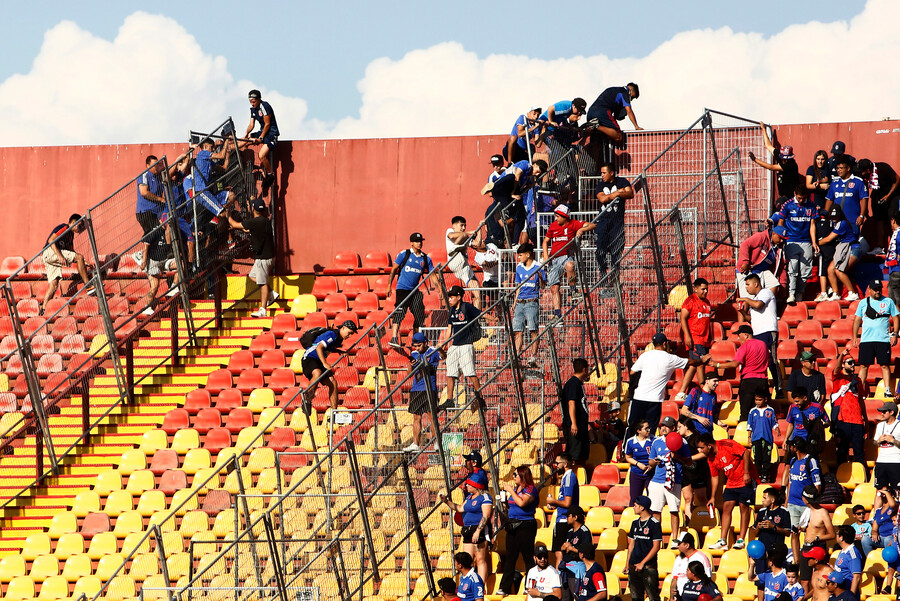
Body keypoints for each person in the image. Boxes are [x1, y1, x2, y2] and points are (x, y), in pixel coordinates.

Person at [628, 333, 707, 439]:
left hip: (639, 396)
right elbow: (690, 362)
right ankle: (648, 448)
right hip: (654, 399)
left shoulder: (645, 355)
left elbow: (632, 372)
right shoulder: (670, 358)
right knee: (650, 429)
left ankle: (627, 447)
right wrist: (702, 360)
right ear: (664, 344)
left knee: (633, 426)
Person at [696, 433, 753, 550]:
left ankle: (741, 539)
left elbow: (746, 453)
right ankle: (722, 540)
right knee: (726, 508)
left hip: (743, 480)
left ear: (709, 445)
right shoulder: (710, 459)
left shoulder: (726, 444)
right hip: (731, 482)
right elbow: (714, 477)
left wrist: (746, 473)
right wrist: (712, 497)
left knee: (744, 507)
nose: (700, 451)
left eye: (702, 447)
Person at [542, 204, 596, 316]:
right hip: (554, 259)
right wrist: (546, 256)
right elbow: (545, 241)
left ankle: (573, 290)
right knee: (554, 288)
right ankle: (557, 314)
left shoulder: (573, 223)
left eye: (558, 216)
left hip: (566, 256)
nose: (555, 218)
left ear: (564, 216)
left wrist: (581, 229)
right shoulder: (553, 226)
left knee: (570, 265)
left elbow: (592, 225)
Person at [228, 198, 277, 318]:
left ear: (253, 209)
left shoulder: (254, 222)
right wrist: (239, 228)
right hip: (269, 257)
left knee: (262, 283)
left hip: (263, 258)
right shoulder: (264, 221)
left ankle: (263, 310)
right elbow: (248, 229)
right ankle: (271, 293)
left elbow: (234, 224)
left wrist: (227, 214)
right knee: (253, 276)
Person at [440, 470, 493, 583]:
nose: (466, 486)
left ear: (476, 485)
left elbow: (486, 516)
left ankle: (480, 586)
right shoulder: (469, 498)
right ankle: (468, 584)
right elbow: (460, 508)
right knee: (466, 561)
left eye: (469, 484)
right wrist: (447, 501)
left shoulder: (485, 497)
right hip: (467, 530)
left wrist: (478, 531)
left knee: (480, 559)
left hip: (478, 530)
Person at [387, 233, 438, 348]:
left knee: (420, 315)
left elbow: (432, 274)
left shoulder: (425, 258)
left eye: (420, 241)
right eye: (416, 241)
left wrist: (439, 288)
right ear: (411, 243)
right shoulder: (404, 254)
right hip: (402, 289)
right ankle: (394, 338)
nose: (419, 243)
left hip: (415, 291)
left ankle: (416, 340)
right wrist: (389, 286)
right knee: (399, 313)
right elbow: (394, 269)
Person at [299, 320, 359, 413]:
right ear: (343, 328)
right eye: (349, 332)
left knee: (333, 382)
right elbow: (319, 347)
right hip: (310, 357)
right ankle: (307, 400)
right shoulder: (332, 334)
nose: (350, 336)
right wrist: (324, 363)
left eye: (352, 334)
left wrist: (339, 351)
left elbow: (329, 347)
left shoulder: (338, 339)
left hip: (319, 360)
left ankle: (334, 411)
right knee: (317, 373)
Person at [40, 214, 95, 314]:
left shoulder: (70, 235)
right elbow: (51, 240)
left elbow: (71, 251)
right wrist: (59, 256)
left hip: (48, 256)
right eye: (79, 225)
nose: (80, 228)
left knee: (54, 284)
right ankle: (88, 285)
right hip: (50, 252)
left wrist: (84, 261)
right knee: (79, 257)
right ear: (73, 223)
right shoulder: (64, 227)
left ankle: (43, 309)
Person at [853, 279, 899, 397]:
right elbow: (857, 320)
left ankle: (887, 390)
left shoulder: (888, 301)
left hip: (883, 340)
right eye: (875, 289)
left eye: (879, 289)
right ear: (869, 290)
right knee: (864, 366)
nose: (877, 291)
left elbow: (896, 317)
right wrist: (854, 336)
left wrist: (895, 334)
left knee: (884, 365)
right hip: (866, 340)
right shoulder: (863, 303)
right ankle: (860, 390)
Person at [646, 416, 690, 539]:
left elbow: (689, 461)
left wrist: (677, 457)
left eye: (667, 426)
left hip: (674, 480)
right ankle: (656, 538)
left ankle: (675, 538)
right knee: (655, 511)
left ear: (673, 427)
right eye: (662, 426)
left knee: (674, 511)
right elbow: (650, 461)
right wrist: (654, 462)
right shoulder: (656, 442)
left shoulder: (682, 442)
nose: (664, 428)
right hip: (657, 480)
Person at [773, 185, 819, 303]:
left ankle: (800, 293)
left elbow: (812, 224)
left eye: (803, 198)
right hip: (791, 240)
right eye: (799, 198)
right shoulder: (788, 205)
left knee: (805, 270)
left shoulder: (811, 205)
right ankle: (791, 294)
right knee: (792, 269)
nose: (801, 200)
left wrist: (814, 242)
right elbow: (781, 221)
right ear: (794, 194)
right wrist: (780, 237)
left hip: (806, 241)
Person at [402, 332, 446, 452]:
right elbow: (409, 374)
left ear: (425, 343)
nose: (417, 348)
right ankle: (416, 443)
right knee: (416, 417)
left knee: (432, 417)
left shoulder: (432, 351)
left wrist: (440, 349)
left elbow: (443, 357)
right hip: (416, 389)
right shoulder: (414, 354)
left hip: (429, 388)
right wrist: (411, 365)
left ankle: (437, 442)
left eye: (419, 345)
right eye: (415, 346)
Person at [499, 465, 539, 596]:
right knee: (510, 557)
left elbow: (522, 503)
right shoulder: (517, 489)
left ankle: (530, 586)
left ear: (522, 476)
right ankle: (504, 587)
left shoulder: (530, 489)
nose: (514, 477)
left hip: (526, 525)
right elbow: (513, 504)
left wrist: (511, 491)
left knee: (528, 556)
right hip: (513, 524)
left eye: (516, 474)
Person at [715, 324, 769, 421]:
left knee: (745, 413)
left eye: (739, 336)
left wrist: (717, 365)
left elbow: (734, 364)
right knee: (761, 413)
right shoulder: (763, 344)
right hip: (763, 381)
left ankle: (745, 430)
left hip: (748, 381)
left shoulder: (745, 346)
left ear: (746, 335)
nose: (738, 339)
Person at [737, 275, 781, 395]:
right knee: (759, 361)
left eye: (748, 284)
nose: (746, 287)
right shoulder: (755, 298)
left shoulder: (766, 292)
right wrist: (742, 312)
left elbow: (758, 305)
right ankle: (761, 388)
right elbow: (751, 319)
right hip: (757, 333)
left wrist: (746, 299)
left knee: (771, 360)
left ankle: (778, 387)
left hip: (768, 331)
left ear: (755, 284)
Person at [445, 285, 484, 407]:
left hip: (466, 345)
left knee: (470, 373)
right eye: (449, 297)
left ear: (459, 297)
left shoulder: (466, 307)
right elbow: (449, 328)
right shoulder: (452, 311)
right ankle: (449, 400)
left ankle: (480, 398)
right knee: (450, 374)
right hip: (455, 345)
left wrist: (493, 318)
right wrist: (444, 343)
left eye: (452, 297)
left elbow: (480, 314)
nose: (450, 299)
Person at [593, 162, 634, 278]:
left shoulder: (622, 181)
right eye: (601, 173)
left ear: (611, 173)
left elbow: (630, 193)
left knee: (616, 251)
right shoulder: (600, 185)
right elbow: (602, 199)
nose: (602, 175)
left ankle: (615, 275)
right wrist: (618, 193)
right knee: (600, 250)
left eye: (604, 173)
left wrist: (614, 195)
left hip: (617, 222)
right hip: (603, 222)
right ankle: (603, 273)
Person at [793, 487, 836, 589]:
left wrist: (817, 538)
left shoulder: (822, 513)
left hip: (818, 548)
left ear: (806, 499)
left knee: (818, 578)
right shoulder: (807, 511)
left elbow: (832, 534)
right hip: (806, 547)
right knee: (804, 580)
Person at [830, 350, 867, 466]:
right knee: (842, 452)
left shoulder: (858, 380)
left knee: (859, 454)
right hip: (843, 421)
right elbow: (836, 369)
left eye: (854, 363)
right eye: (850, 363)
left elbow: (861, 400)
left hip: (857, 421)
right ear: (843, 364)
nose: (853, 365)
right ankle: (840, 476)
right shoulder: (838, 377)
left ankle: (861, 475)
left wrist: (865, 419)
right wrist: (841, 355)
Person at [511, 243, 546, 365]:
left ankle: (533, 357)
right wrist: (514, 303)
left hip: (532, 301)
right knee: (518, 331)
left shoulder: (538, 267)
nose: (519, 257)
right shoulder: (519, 267)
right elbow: (518, 286)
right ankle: (517, 356)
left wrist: (541, 278)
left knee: (533, 330)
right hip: (520, 302)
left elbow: (543, 286)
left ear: (528, 254)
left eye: (520, 255)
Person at [816, 205, 859, 301]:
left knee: (839, 271)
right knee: (830, 269)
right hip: (844, 249)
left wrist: (814, 244)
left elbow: (828, 239)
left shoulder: (842, 223)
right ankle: (836, 294)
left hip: (852, 248)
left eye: (836, 216)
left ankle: (853, 293)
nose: (834, 218)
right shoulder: (834, 223)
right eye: (832, 216)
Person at [748, 122, 800, 202]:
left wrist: (755, 159)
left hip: (792, 196)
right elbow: (768, 146)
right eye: (784, 158)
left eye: (787, 159)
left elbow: (770, 167)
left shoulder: (791, 165)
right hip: (783, 195)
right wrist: (763, 129)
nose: (785, 160)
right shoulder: (779, 155)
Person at [625, 495, 662, 601]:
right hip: (633, 566)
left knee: (653, 597)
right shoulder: (634, 523)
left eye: (635, 505)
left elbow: (656, 547)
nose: (633, 507)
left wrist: (642, 563)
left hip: (648, 567)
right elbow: (631, 544)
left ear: (642, 507)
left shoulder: (654, 524)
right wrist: (627, 563)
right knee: (636, 597)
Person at [858, 158, 900, 250]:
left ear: (868, 170)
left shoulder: (883, 168)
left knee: (892, 218)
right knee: (879, 219)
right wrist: (865, 208)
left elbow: (897, 180)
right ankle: (880, 247)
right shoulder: (863, 175)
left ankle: (896, 246)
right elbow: (865, 189)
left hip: (893, 194)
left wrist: (888, 196)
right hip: (878, 194)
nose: (860, 174)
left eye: (862, 172)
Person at [243, 90, 279, 196]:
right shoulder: (253, 109)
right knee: (244, 142)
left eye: (254, 101)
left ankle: (270, 175)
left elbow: (267, 124)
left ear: (259, 99)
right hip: (262, 132)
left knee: (261, 155)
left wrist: (260, 138)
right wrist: (246, 134)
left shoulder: (264, 106)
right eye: (250, 101)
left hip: (271, 134)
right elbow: (251, 125)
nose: (252, 103)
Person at [546, 453, 580, 566]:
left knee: (560, 554)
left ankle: (560, 576)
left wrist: (553, 501)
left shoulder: (569, 477)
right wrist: (555, 505)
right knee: (559, 553)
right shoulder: (566, 477)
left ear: (565, 464)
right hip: (562, 518)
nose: (556, 466)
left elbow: (567, 503)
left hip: (564, 520)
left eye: (557, 463)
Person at [446, 216, 486, 309]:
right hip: (454, 260)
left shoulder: (465, 237)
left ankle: (476, 315)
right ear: (454, 226)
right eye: (461, 225)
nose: (463, 228)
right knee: (463, 236)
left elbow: (477, 244)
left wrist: (479, 228)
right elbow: (452, 236)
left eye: (465, 226)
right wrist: (469, 233)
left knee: (478, 293)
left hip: (465, 266)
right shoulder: (450, 231)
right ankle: (455, 248)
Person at [750, 487, 792, 575]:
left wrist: (773, 527)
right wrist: (758, 527)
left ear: (772, 500)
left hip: (776, 552)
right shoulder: (761, 512)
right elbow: (755, 533)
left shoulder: (783, 512)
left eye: (764, 498)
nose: (762, 500)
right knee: (760, 577)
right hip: (762, 551)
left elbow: (787, 532)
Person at [783, 438, 823, 527]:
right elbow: (790, 483)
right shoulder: (793, 461)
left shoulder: (811, 461)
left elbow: (817, 484)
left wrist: (812, 502)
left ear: (796, 448)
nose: (790, 448)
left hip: (806, 505)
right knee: (793, 532)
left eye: (791, 446)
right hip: (792, 503)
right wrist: (787, 501)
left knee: (807, 530)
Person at [192, 137, 235, 219]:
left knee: (231, 195)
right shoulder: (202, 153)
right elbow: (221, 156)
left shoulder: (208, 161)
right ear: (205, 146)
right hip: (202, 191)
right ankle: (222, 213)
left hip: (209, 190)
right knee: (222, 214)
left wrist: (228, 154)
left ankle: (221, 210)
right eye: (211, 147)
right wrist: (226, 141)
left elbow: (224, 168)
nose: (213, 150)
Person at [825, 155, 868, 236]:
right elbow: (829, 199)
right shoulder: (834, 182)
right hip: (837, 220)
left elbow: (863, 199)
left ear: (848, 168)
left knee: (852, 241)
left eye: (841, 168)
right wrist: (826, 216)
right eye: (837, 168)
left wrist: (861, 215)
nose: (839, 170)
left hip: (853, 220)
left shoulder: (858, 181)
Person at [737, 226, 785, 298]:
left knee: (773, 284)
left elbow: (779, 266)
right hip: (747, 270)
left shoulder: (778, 247)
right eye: (780, 238)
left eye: (783, 239)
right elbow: (745, 244)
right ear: (773, 234)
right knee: (749, 298)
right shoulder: (761, 236)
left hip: (762, 271)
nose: (781, 241)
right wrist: (745, 262)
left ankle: (768, 302)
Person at [680, 278, 712, 385]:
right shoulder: (690, 301)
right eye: (703, 289)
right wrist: (687, 336)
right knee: (700, 364)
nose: (705, 291)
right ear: (696, 289)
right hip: (695, 338)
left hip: (705, 339)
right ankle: (703, 388)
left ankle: (682, 391)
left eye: (706, 289)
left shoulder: (707, 302)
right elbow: (683, 318)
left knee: (694, 366)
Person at [783, 388, 829, 458]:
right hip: (797, 442)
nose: (796, 403)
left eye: (797, 401)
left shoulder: (817, 407)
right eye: (795, 401)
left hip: (811, 443)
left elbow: (827, 422)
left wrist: (819, 427)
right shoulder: (793, 407)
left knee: (810, 463)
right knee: (791, 463)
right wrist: (786, 439)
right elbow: (791, 424)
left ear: (805, 398)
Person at [558, 506, 592, 601]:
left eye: (568, 516)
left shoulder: (584, 532)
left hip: (577, 569)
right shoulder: (570, 532)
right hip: (566, 569)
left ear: (575, 517)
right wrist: (564, 547)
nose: (566, 518)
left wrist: (571, 548)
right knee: (565, 598)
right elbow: (564, 547)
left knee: (578, 596)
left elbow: (587, 551)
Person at [747, 388, 780, 483]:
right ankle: (758, 475)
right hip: (756, 438)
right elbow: (749, 425)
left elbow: (774, 422)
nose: (757, 402)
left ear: (765, 399)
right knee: (757, 458)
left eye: (760, 400)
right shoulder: (752, 411)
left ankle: (765, 475)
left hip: (767, 438)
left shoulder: (770, 410)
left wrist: (777, 428)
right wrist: (749, 437)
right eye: (756, 400)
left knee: (766, 458)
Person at [562, 358, 591, 466]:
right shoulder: (573, 384)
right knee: (575, 455)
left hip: (581, 425)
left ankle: (581, 473)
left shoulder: (578, 383)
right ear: (584, 369)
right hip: (575, 426)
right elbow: (571, 404)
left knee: (582, 454)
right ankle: (574, 473)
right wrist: (573, 423)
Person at [670, 532, 712, 600]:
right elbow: (674, 579)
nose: (677, 546)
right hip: (679, 598)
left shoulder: (701, 558)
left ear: (687, 545)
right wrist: (671, 598)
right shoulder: (678, 559)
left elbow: (707, 579)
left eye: (679, 544)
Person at [624, 420, 654, 506]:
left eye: (649, 428)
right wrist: (638, 464)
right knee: (635, 498)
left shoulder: (654, 440)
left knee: (653, 497)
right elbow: (628, 457)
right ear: (638, 430)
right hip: (636, 473)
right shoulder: (630, 441)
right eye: (646, 429)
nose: (649, 430)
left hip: (651, 473)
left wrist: (652, 465)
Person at [874, 401, 900, 488]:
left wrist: (893, 441)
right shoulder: (880, 425)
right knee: (880, 489)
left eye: (884, 412)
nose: (882, 414)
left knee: (897, 489)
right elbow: (875, 443)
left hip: (896, 462)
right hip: (881, 461)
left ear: (891, 412)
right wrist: (878, 441)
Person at [832, 526, 862, 595]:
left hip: (847, 592)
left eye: (837, 533)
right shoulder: (843, 551)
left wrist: (851, 596)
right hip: (840, 592)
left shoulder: (853, 554)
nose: (836, 535)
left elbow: (856, 577)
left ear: (841, 537)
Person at [473, 241, 500, 306]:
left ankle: (482, 291)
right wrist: (497, 261)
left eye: (482, 240)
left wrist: (497, 261)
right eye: (480, 242)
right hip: (489, 278)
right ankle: (482, 292)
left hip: (501, 276)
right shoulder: (478, 257)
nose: (483, 241)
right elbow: (488, 265)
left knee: (497, 300)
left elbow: (501, 255)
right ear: (476, 246)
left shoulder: (491, 245)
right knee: (493, 301)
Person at [884, 212, 900, 309]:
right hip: (895, 270)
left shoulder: (898, 234)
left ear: (893, 220)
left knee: (896, 303)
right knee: (894, 303)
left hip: (897, 270)